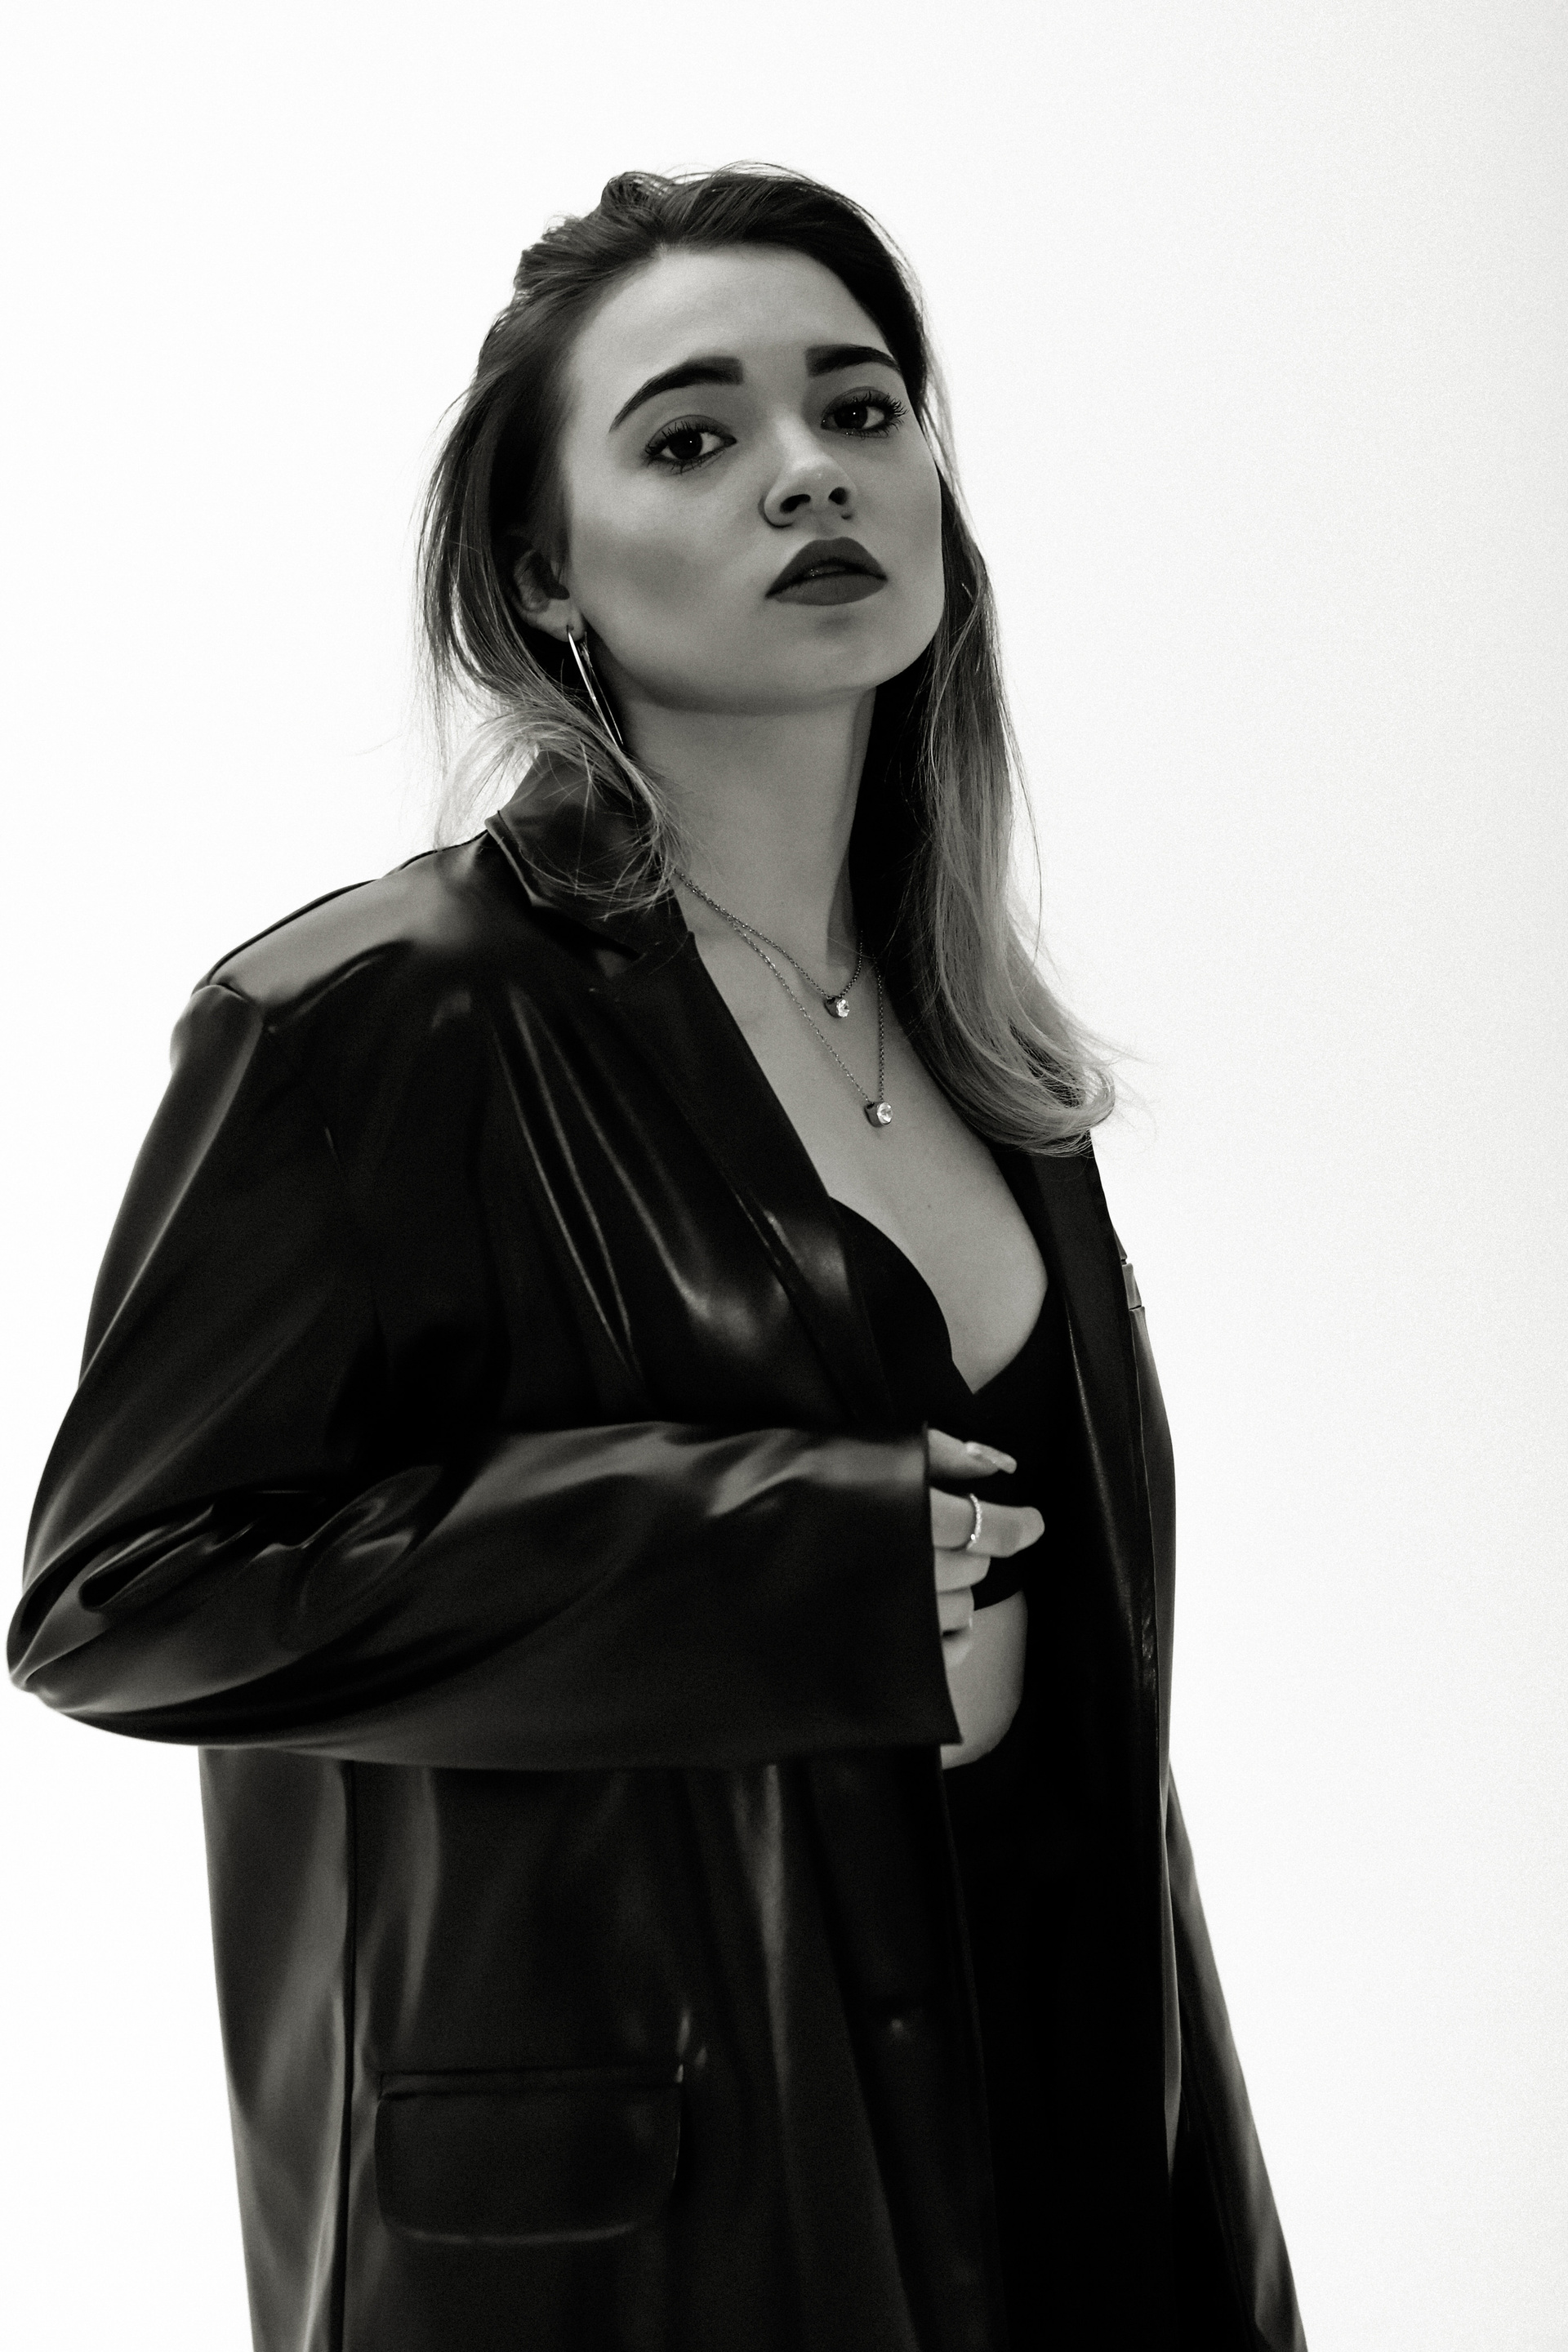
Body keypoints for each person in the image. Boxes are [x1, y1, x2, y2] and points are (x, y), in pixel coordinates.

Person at [10, 166, 1306, 2352]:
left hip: (1073, 2176)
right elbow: (119, 1600)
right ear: (546, 572)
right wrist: (763, 1562)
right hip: (655, 2237)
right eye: (693, 436)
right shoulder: (381, 1020)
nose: (810, 471)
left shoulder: (986, 1054)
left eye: (863, 409)